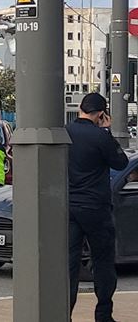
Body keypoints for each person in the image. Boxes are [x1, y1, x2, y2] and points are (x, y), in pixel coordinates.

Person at [68, 93, 128, 322]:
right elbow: (120, 162)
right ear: (101, 113)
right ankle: (103, 314)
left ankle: (66, 314)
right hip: (96, 207)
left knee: (70, 265)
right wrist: (107, 131)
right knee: (103, 262)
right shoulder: (100, 136)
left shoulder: (66, 131)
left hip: (70, 206)